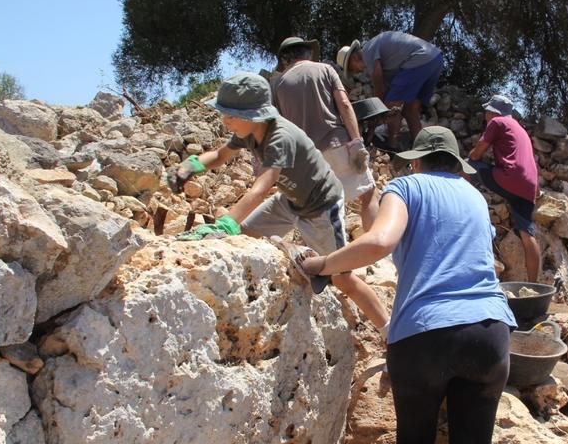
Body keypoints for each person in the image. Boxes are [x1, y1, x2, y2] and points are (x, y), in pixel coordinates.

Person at [298, 126, 516, 444]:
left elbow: (381, 240)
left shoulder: (406, 187)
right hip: (489, 331)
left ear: (417, 163)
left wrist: (321, 265)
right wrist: (369, 205)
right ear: (456, 165)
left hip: (424, 333)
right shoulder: (475, 197)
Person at [165, 72, 389, 330]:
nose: (224, 121)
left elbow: (261, 187)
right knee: (245, 237)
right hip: (290, 200)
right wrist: (190, 165)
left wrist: (227, 223)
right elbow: (218, 155)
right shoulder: (249, 131)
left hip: (321, 206)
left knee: (342, 277)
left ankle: (389, 330)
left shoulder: (280, 137)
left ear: (253, 115)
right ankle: (294, 252)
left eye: (230, 115)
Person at [271, 36, 380, 231]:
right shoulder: (325, 69)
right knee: (368, 194)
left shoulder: (277, 85)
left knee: (323, 210)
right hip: (336, 143)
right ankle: (375, 249)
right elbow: (345, 105)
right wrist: (356, 142)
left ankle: (331, 257)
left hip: (307, 158)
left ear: (285, 60)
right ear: (309, 53)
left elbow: (279, 126)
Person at [467, 95, 542, 282]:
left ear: (493, 111)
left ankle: (460, 204)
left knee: (466, 166)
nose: (485, 114)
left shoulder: (497, 122)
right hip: (528, 186)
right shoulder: (520, 128)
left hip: (509, 178)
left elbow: (477, 152)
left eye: (487, 111)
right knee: (527, 234)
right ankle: (534, 284)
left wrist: (470, 158)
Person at [337, 31, 443, 151]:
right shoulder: (387, 60)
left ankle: (392, 147)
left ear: (355, 57)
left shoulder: (368, 51)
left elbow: (379, 88)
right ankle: (422, 150)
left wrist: (374, 115)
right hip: (435, 59)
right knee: (410, 111)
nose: (355, 73)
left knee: (392, 106)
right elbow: (386, 89)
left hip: (419, 59)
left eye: (351, 69)